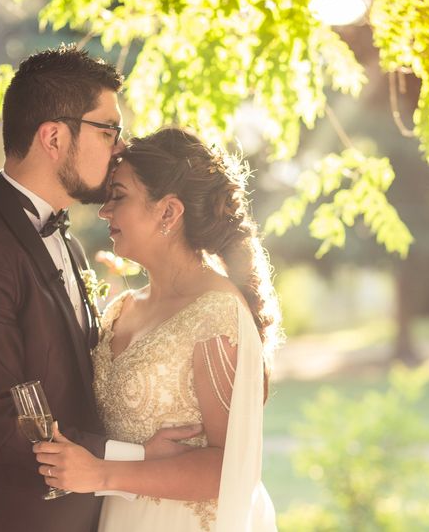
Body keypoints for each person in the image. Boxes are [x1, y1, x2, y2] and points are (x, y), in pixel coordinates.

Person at [0, 47, 199, 532]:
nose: (120, 146)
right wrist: (134, 458)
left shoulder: (64, 240)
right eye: (107, 130)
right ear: (54, 136)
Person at [33, 128, 281, 532]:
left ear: (168, 212)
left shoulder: (216, 314)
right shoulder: (120, 310)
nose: (104, 211)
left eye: (119, 195)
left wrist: (101, 474)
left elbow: (229, 467)